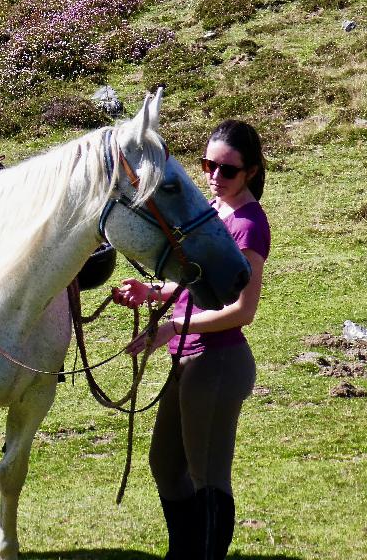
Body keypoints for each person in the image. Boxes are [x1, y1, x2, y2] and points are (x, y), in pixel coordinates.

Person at [113, 120, 270, 560]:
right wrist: (153, 291)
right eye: (207, 166)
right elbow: (198, 284)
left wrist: (171, 328)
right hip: (188, 359)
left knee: (208, 477)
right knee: (165, 465)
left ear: (252, 172)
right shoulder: (214, 214)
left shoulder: (248, 226)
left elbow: (242, 311)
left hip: (218, 364)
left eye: (228, 171)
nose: (214, 178)